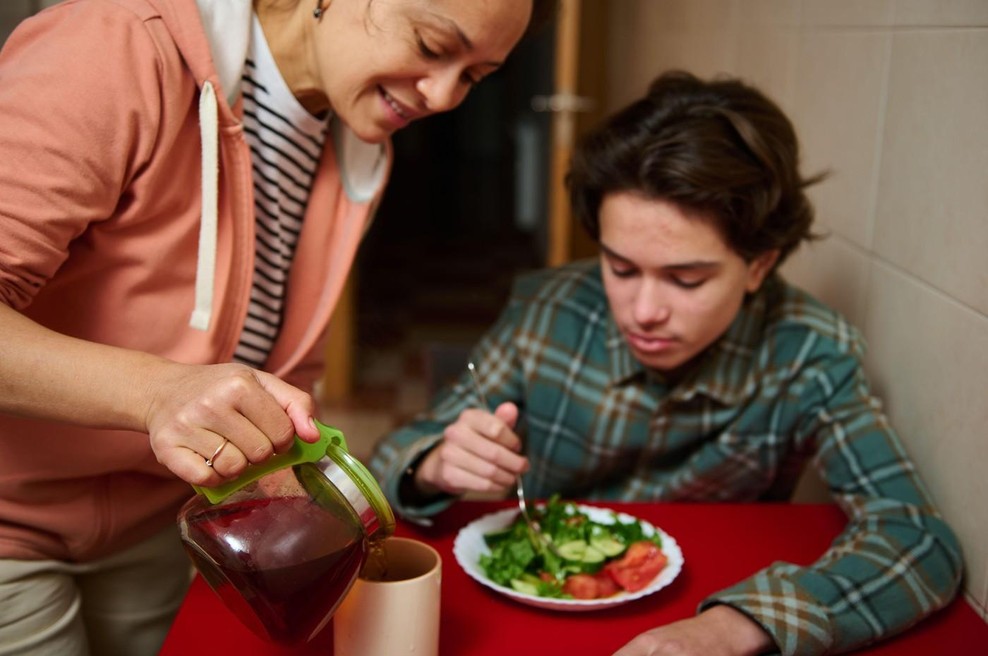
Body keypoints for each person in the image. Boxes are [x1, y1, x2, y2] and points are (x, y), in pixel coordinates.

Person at [0, 0, 553, 653]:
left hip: (152, 525)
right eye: (432, 45)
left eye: (475, 76)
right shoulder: (118, 49)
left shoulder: (351, 145)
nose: (443, 95)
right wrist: (157, 394)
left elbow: (282, 364)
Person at [369, 70, 964, 655]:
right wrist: (435, 465)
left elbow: (915, 539)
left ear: (759, 265)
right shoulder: (548, 309)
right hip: (525, 611)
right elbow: (391, 460)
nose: (643, 311)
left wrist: (734, 630)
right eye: (621, 268)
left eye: (685, 278)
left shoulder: (811, 352)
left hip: (705, 610)